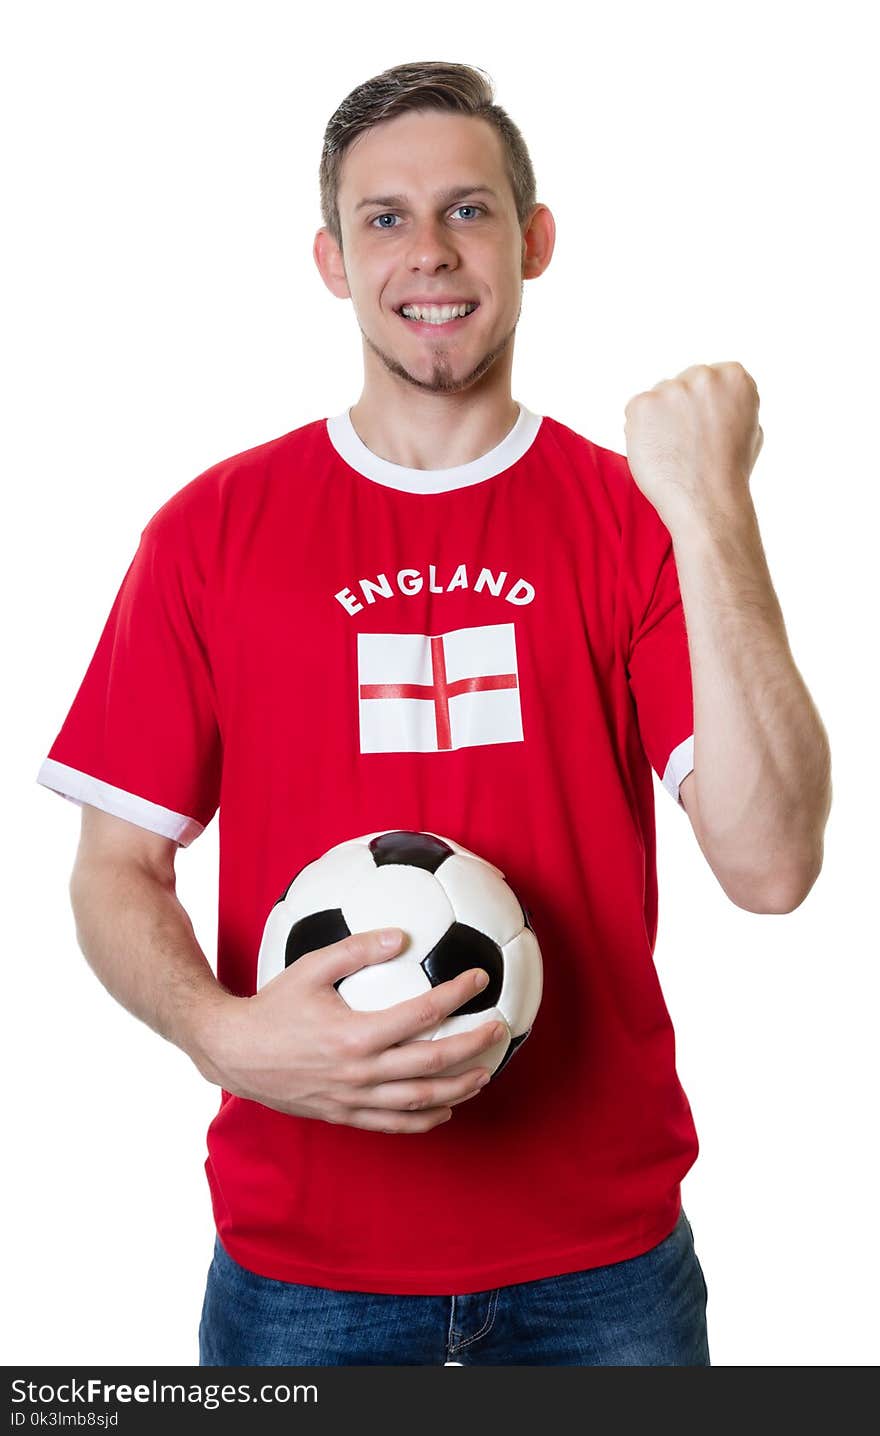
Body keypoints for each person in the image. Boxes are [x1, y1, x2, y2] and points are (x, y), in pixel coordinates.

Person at [36, 59, 832, 1367]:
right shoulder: (209, 534)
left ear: (534, 240)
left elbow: (772, 864)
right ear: (332, 261)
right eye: (384, 218)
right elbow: (117, 868)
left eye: (468, 210)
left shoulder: (639, 520)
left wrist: (713, 516)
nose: (429, 252)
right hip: (302, 1272)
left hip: (605, 1266)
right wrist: (224, 1035)